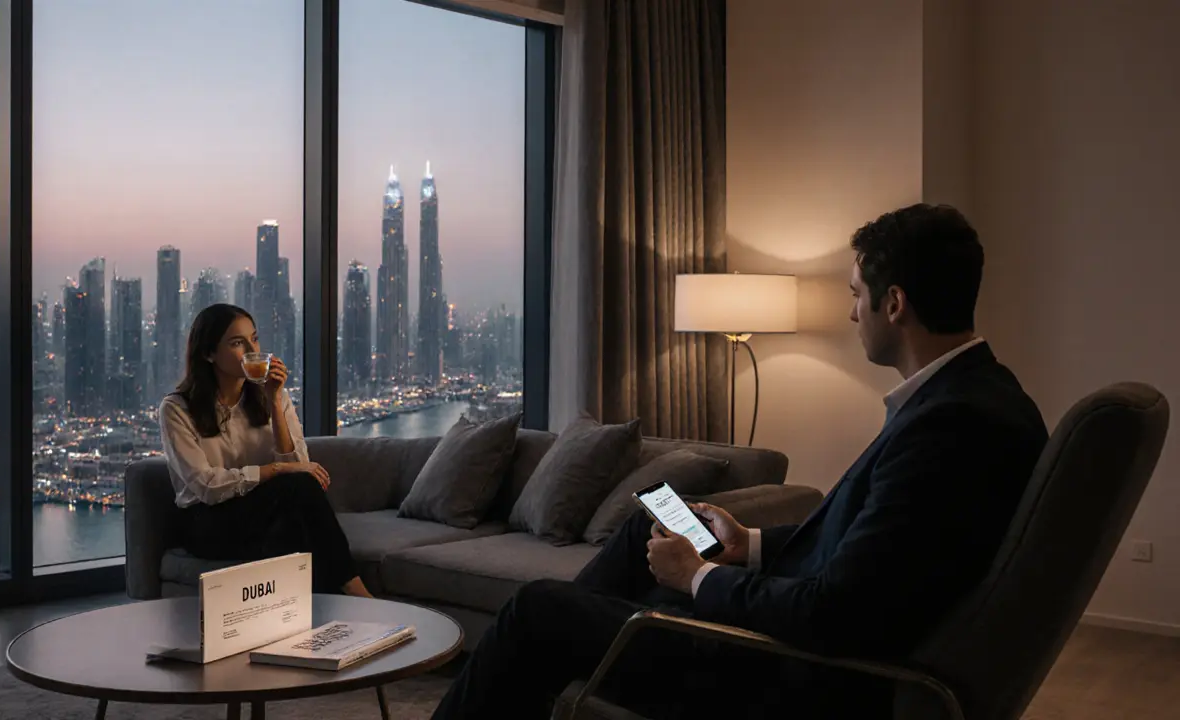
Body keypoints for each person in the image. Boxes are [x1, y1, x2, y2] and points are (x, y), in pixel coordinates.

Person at [431, 203, 1050, 719]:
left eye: (855, 296)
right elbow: (871, 548)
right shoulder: (977, 397)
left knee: (536, 610)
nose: (849, 313)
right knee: (647, 530)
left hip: (792, 674)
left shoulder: (950, 428)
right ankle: (586, 666)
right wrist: (746, 543)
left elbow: (833, 615)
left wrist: (696, 579)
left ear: (895, 304)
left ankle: (590, 653)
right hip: (794, 639)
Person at [158, 303, 372, 598]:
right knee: (297, 517)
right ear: (208, 354)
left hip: (260, 513)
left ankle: (320, 620)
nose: (251, 349)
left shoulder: (273, 395)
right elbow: (206, 486)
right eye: (236, 343)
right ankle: (356, 592)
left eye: (254, 339)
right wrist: (277, 469)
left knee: (296, 528)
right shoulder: (177, 409)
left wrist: (274, 401)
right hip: (207, 521)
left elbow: (299, 468)